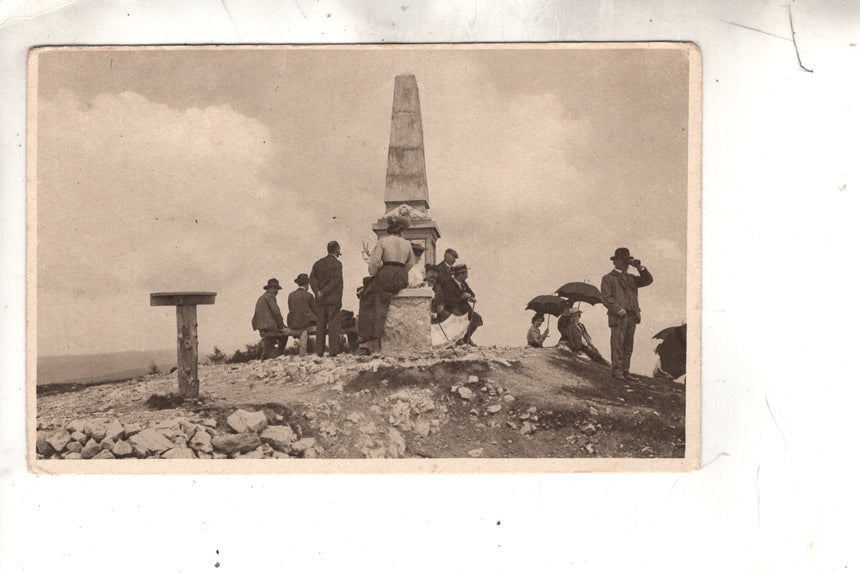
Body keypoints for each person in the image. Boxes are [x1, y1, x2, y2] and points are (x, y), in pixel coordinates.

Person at [355, 217, 417, 355]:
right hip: (401, 276)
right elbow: (411, 263)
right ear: (401, 231)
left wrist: (377, 272)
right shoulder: (407, 244)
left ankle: (367, 341)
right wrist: (401, 271)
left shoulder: (383, 241)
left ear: (389, 229)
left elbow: (375, 263)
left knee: (367, 297)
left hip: (386, 274)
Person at [600, 247, 654, 381]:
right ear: (615, 262)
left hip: (632, 315)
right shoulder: (608, 278)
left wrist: (640, 267)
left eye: (626, 261)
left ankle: (625, 371)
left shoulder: (631, 278)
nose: (624, 264)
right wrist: (618, 308)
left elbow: (648, 280)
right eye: (621, 261)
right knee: (618, 344)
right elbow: (606, 298)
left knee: (628, 345)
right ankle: (617, 372)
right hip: (618, 316)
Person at [309, 241, 344, 358]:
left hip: (320, 300)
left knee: (321, 324)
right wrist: (324, 291)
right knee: (334, 323)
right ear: (337, 249)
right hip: (333, 299)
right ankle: (333, 351)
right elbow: (336, 281)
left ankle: (319, 351)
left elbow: (312, 279)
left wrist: (318, 291)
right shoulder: (337, 264)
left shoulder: (317, 263)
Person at [437, 263, 483, 345]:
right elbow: (449, 302)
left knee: (476, 318)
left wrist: (470, 297)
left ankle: (466, 338)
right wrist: (462, 298)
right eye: (466, 274)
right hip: (452, 309)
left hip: (464, 308)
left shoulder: (463, 283)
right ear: (460, 274)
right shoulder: (448, 284)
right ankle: (457, 339)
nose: (467, 276)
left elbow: (472, 293)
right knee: (460, 320)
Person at [251, 278, 289, 360]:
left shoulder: (262, 297)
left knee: (269, 342)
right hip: (269, 326)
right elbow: (276, 312)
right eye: (275, 289)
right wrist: (282, 326)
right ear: (270, 288)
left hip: (261, 326)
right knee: (285, 335)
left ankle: (266, 357)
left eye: (277, 289)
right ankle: (279, 356)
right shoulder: (270, 297)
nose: (276, 291)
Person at [286, 273, 317, 356]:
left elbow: (290, 308)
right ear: (307, 285)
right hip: (305, 323)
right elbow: (315, 311)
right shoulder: (309, 295)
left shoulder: (291, 295)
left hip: (293, 322)